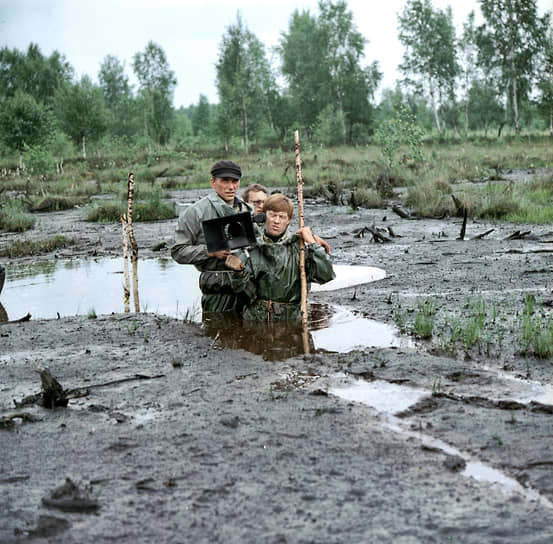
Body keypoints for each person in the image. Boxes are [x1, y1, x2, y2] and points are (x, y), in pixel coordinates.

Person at [225, 194, 335, 322]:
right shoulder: (251, 249)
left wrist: (313, 245)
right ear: (264, 216)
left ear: (288, 220)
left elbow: (326, 275)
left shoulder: (300, 248)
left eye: (282, 217)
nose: (276, 221)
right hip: (256, 321)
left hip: (290, 321)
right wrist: (239, 273)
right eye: (272, 215)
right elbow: (247, 297)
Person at [171, 160, 253, 313]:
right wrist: (210, 251)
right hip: (216, 288)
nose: (231, 186)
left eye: (235, 181)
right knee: (216, 332)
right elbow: (177, 251)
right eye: (225, 181)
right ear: (213, 183)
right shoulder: (195, 212)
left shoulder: (248, 211)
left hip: (248, 285)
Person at [241, 183, 331, 254]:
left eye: (264, 202)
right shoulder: (240, 226)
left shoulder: (275, 224)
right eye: (256, 202)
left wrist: (312, 240)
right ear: (245, 204)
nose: (261, 206)